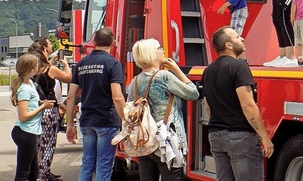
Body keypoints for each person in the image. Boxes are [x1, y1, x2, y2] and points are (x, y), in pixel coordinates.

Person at [202, 26, 274, 180]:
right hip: (240, 137)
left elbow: (208, 108)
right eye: (237, 36)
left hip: (215, 136)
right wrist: (264, 137)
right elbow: (248, 106)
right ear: (228, 45)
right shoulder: (239, 67)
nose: (241, 39)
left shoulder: (207, 71)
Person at [127, 38, 199, 181]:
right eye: (160, 48)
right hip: (166, 140)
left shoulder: (134, 81)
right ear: (152, 54)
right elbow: (193, 93)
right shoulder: (164, 76)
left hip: (145, 140)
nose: (163, 51)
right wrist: (177, 70)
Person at [66, 28, 126, 181]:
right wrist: (125, 120)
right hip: (106, 120)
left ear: (94, 42)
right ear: (112, 43)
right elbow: (117, 96)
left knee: (87, 163)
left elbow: (72, 95)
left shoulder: (81, 63)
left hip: (87, 121)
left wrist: (69, 124)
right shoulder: (113, 64)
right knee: (104, 165)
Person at [31, 38, 72, 181]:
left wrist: (51, 60)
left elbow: (43, 78)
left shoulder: (32, 68)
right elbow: (68, 78)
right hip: (49, 110)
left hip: (35, 109)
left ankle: (35, 173)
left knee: (37, 143)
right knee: (48, 144)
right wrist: (66, 64)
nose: (51, 46)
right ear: (43, 49)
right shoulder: (51, 69)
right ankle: (43, 175)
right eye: (49, 45)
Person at [11, 53, 55, 181]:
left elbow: (30, 103)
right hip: (26, 132)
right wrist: (42, 107)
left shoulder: (30, 82)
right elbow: (23, 116)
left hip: (30, 132)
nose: (38, 68)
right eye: (37, 65)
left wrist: (39, 103)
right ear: (31, 69)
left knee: (33, 172)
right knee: (24, 172)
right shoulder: (24, 89)